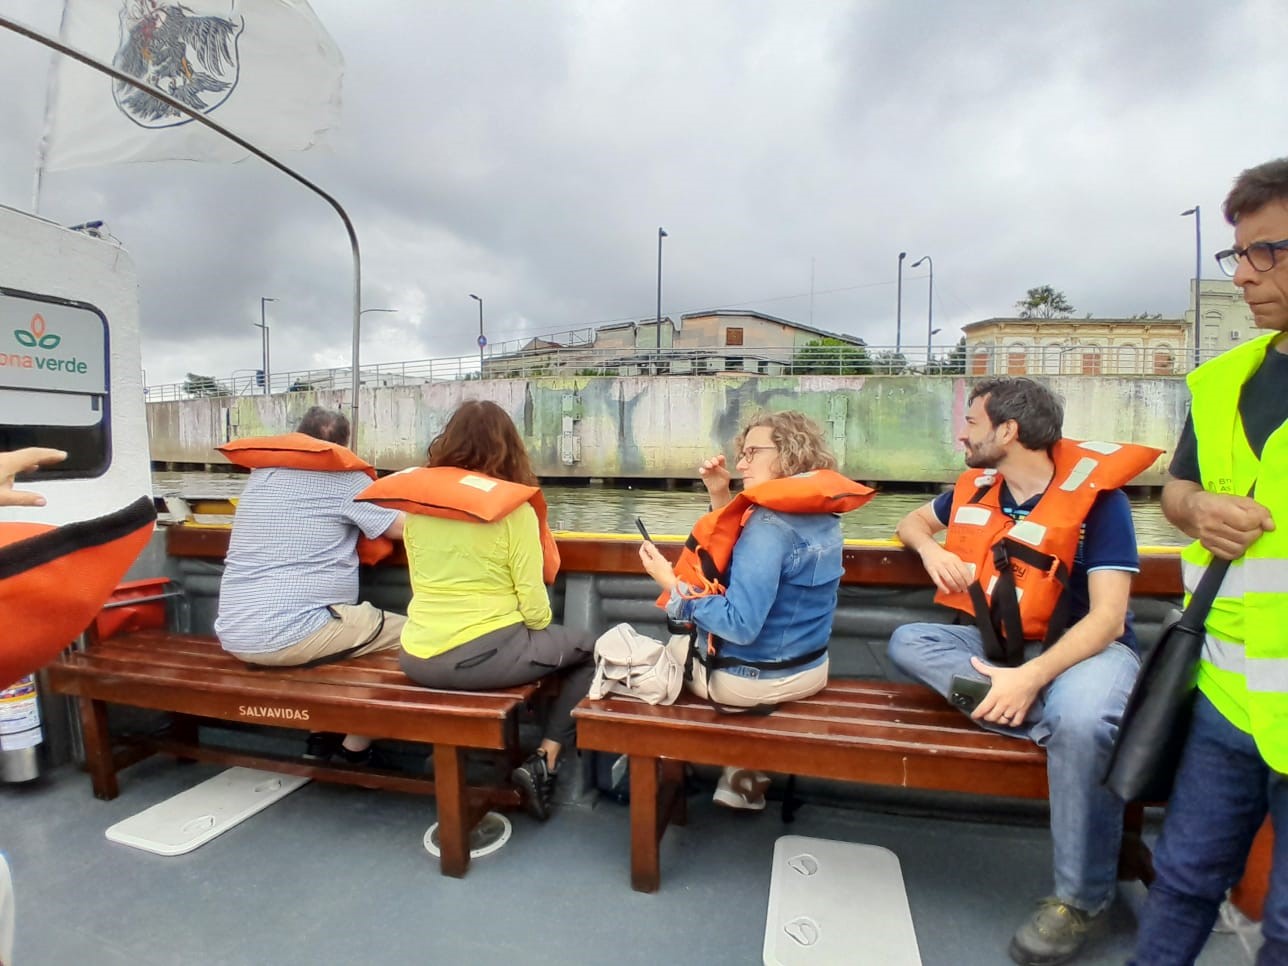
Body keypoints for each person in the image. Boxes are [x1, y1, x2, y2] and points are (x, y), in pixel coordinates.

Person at [887, 376, 1157, 966]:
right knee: (910, 640)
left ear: (1008, 431)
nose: (962, 432)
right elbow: (911, 524)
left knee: (1083, 720)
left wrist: (1031, 679)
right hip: (1004, 651)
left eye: (973, 423)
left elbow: (1109, 620)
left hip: (1086, 654)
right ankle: (1054, 728)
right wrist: (933, 552)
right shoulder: (979, 488)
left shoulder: (1099, 503)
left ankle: (1079, 900)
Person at [1131, 158, 1288, 966]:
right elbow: (1177, 490)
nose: (1246, 276)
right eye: (1240, 256)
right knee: (1184, 879)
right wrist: (1197, 510)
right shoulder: (1224, 381)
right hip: (1226, 689)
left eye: (1270, 252)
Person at [639, 411, 869, 810]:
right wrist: (719, 497)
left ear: (788, 454)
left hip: (752, 681)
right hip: (810, 670)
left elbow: (740, 625)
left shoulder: (769, 525)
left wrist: (669, 585)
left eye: (751, 453)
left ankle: (646, 762)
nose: (741, 462)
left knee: (666, 646)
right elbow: (742, 560)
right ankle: (740, 773)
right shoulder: (822, 515)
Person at [397, 400, 595, 821]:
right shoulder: (513, 511)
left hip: (415, 657)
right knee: (593, 651)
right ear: (510, 449)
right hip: (479, 659)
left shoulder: (419, 513)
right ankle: (546, 757)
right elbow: (537, 613)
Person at [214, 407, 406, 765]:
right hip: (291, 633)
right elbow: (402, 528)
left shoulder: (263, 476)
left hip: (235, 631)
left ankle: (320, 736)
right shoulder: (345, 479)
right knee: (421, 638)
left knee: (339, 636)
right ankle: (355, 746)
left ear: (297, 437)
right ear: (345, 446)